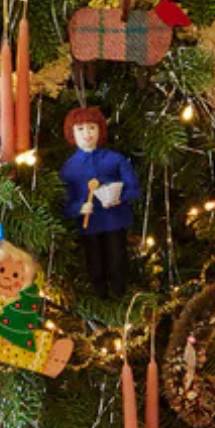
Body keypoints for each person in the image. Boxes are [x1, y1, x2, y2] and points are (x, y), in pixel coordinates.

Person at [57, 106, 139, 297]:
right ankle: (101, 299)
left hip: (114, 221)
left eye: (92, 128)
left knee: (117, 262)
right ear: (72, 133)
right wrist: (79, 207)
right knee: (95, 264)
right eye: (80, 129)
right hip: (89, 226)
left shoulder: (115, 160)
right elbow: (65, 203)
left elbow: (134, 187)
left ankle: (120, 296)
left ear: (100, 130)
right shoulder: (69, 169)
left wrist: (120, 196)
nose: (87, 134)